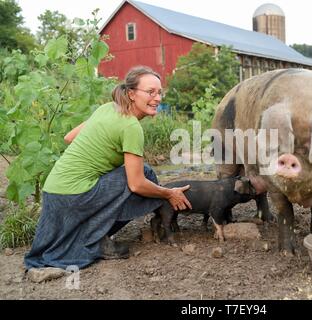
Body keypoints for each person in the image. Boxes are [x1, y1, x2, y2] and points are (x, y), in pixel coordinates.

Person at [24, 66, 192, 270]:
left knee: (131, 175)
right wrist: (168, 194)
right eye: (150, 92)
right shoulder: (131, 127)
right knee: (144, 174)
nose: (157, 98)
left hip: (53, 191)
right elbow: (137, 184)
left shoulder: (107, 107)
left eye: (159, 92)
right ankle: (94, 240)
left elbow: (69, 138)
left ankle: (94, 234)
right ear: (131, 93)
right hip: (73, 196)